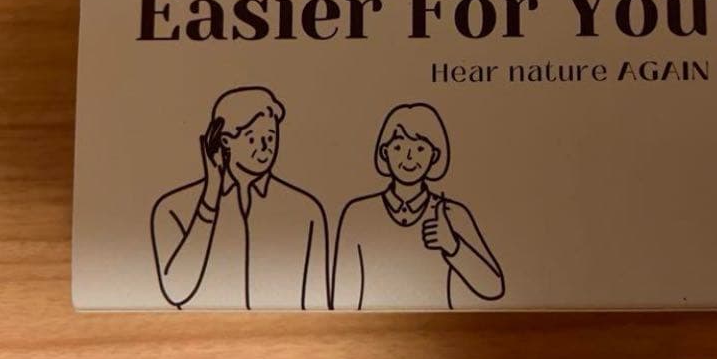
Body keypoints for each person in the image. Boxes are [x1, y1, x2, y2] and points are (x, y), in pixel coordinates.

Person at [150, 86, 328, 310]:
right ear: (225, 141)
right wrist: (211, 194)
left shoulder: (307, 211)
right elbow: (176, 292)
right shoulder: (172, 208)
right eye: (253, 138)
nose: (265, 147)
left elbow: (320, 308)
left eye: (270, 137)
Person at [332, 103, 504, 309]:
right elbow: (341, 296)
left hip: (437, 327)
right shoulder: (358, 213)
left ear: (434, 155)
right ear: (385, 152)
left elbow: (493, 287)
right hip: (370, 327)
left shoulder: (451, 214)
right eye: (398, 147)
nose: (409, 157)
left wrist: (452, 246)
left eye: (420, 148)